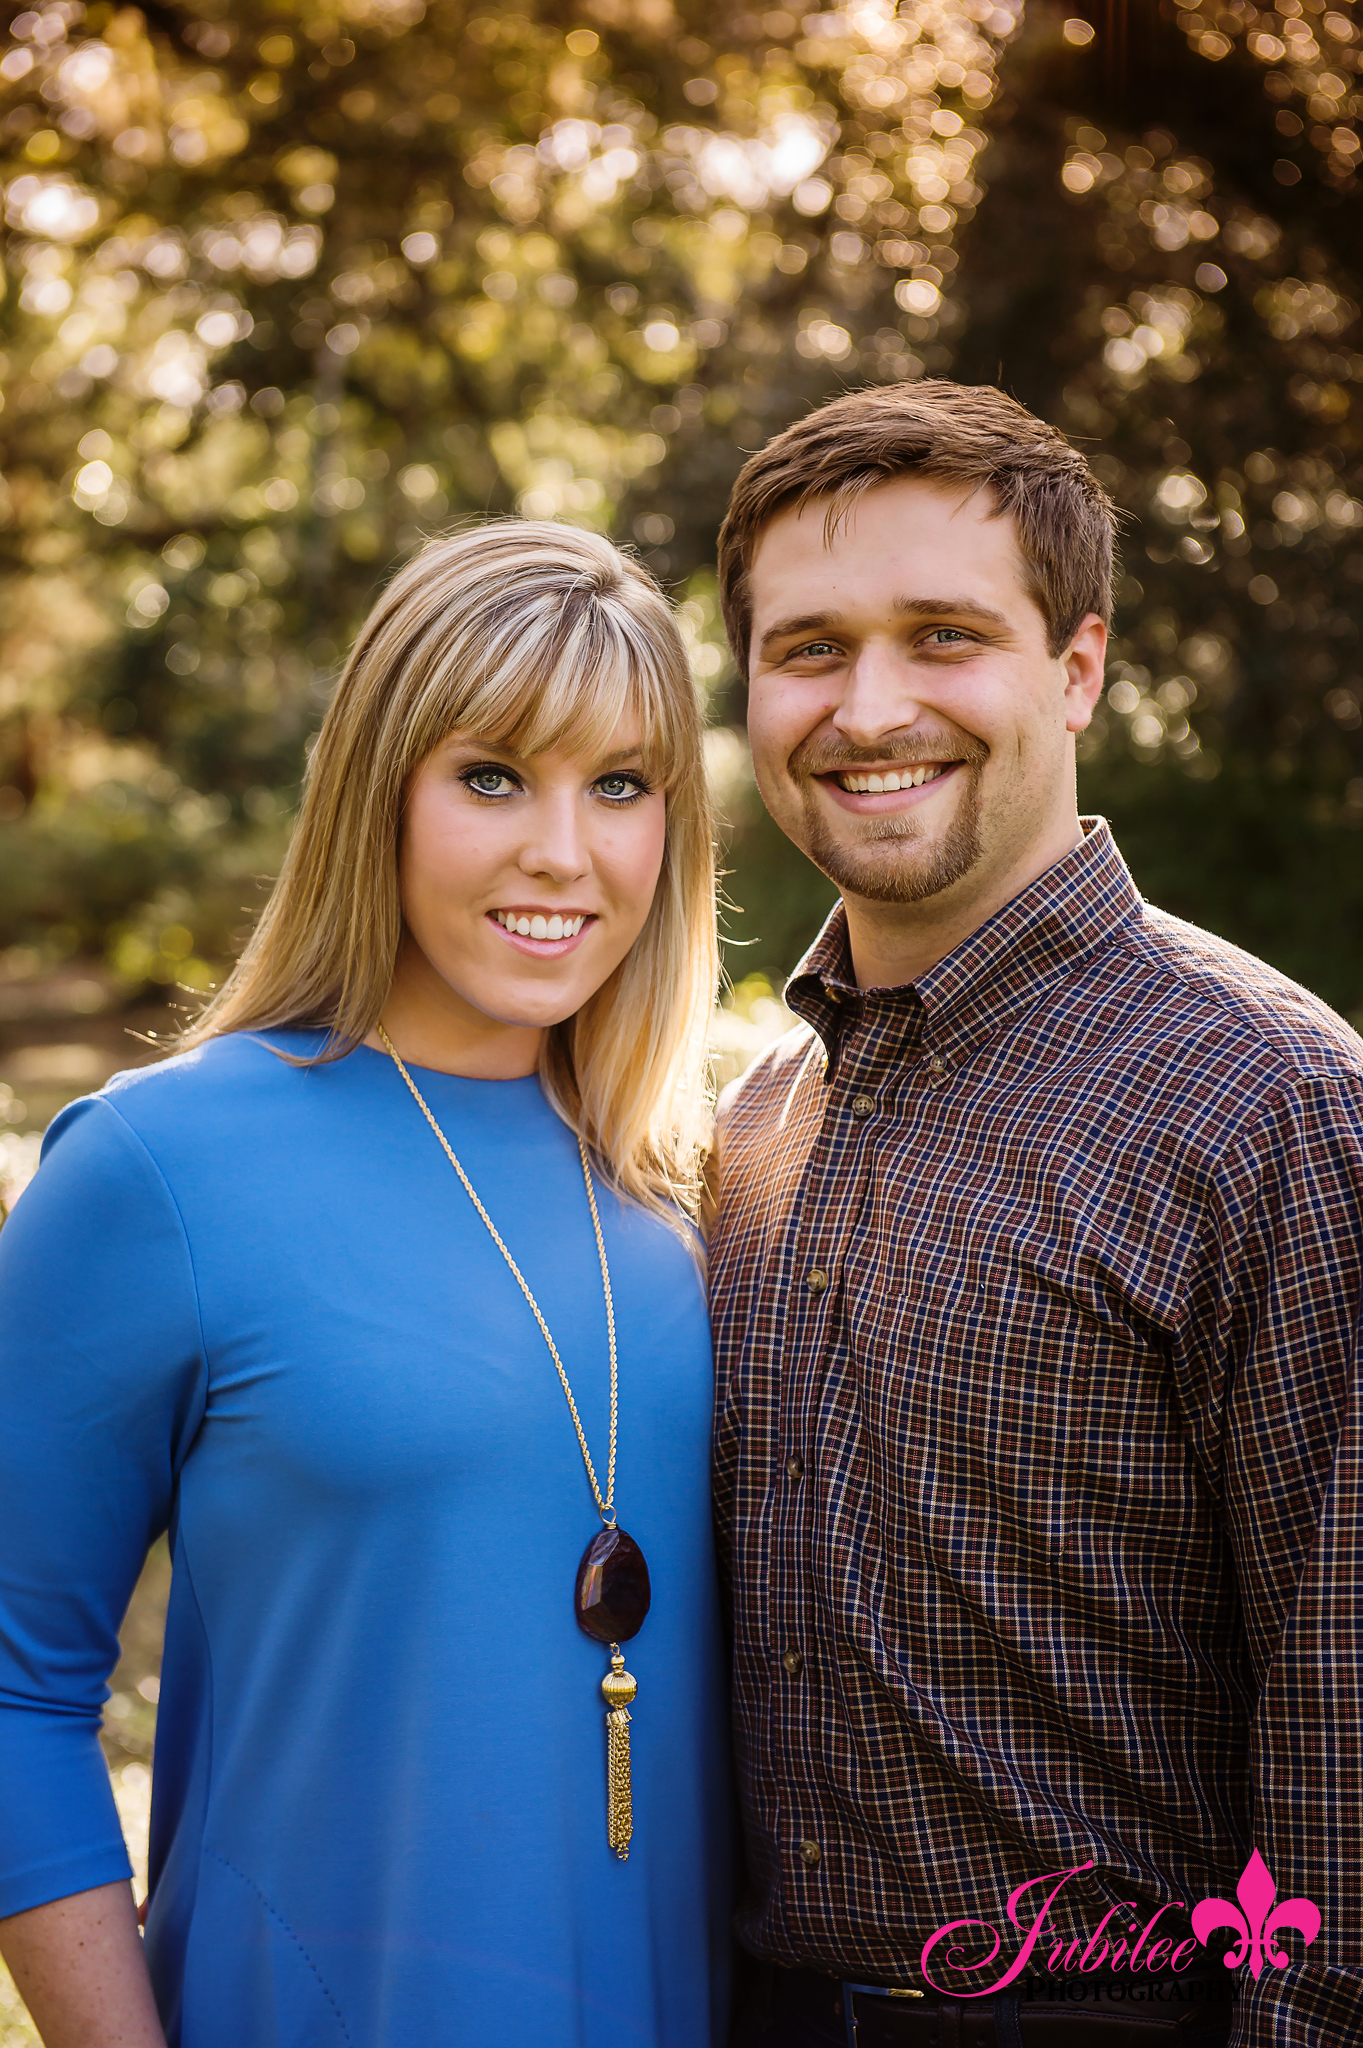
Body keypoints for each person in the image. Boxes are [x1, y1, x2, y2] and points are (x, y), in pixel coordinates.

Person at [0, 521, 732, 2048]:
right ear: (375, 792)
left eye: (620, 786)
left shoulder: (696, 1187)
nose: (563, 851)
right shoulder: (162, 1166)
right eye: (490, 777)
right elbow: (13, 1690)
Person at [708, 381, 1363, 2048]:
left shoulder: (1272, 1102)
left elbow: (1348, 1734)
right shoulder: (757, 1118)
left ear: (1075, 668)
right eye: (809, 648)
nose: (870, 707)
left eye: (944, 636)